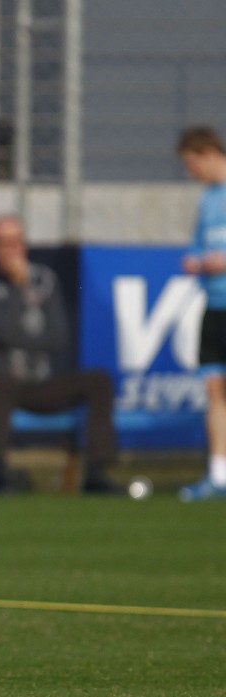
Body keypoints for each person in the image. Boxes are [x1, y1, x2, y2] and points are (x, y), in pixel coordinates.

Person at [0, 215, 122, 494]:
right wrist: (20, 289)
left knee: (99, 380)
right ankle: (1, 472)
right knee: (3, 382)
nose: (11, 250)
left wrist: (4, 340)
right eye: (4, 243)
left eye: (17, 242)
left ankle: (96, 472)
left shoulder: (45, 279)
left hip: (36, 380)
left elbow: (58, 337)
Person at [176, 126, 226, 501]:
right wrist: (197, 262)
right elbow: (197, 248)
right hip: (214, 304)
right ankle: (219, 475)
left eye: (192, 164)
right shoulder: (208, 201)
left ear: (209, 152)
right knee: (213, 390)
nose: (191, 173)